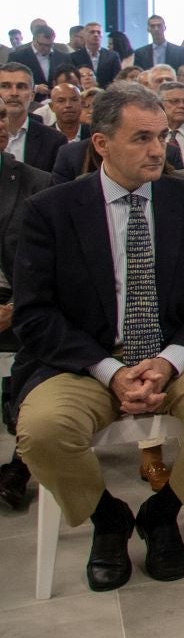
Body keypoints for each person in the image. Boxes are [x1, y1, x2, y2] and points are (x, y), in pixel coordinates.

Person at [10, 84, 184, 591]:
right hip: (85, 361)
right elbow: (34, 315)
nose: (156, 149)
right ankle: (109, 518)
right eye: (141, 137)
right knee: (42, 431)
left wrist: (168, 361)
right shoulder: (51, 210)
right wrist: (111, 371)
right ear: (100, 143)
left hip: (177, 353)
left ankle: (162, 513)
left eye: (161, 136)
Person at [0, 146, 54, 509]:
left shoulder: (37, 182)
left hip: (17, 298)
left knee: (43, 339)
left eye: (2, 115)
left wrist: (15, 307)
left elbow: (51, 264)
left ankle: (21, 464)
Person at [1, 62, 64, 173]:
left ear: (32, 95)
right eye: (5, 86)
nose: (14, 93)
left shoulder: (54, 140)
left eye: (21, 87)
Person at [7, 20, 69, 88]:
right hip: (29, 97)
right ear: (34, 39)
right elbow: (10, 80)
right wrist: (35, 88)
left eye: (49, 45)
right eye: (41, 44)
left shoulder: (63, 57)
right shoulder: (17, 57)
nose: (45, 48)